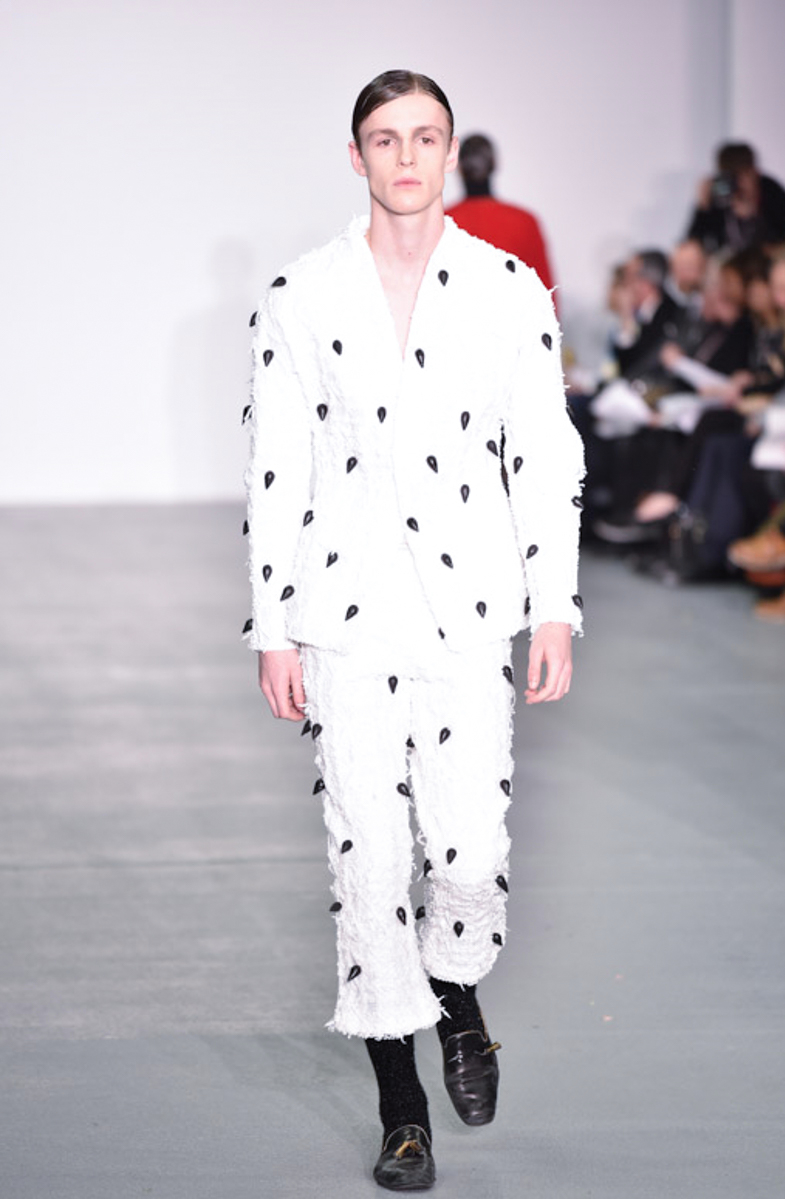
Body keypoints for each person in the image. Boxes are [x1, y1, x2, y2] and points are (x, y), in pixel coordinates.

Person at [243, 69, 584, 1191]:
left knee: (469, 854)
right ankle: (402, 1112)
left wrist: (553, 603)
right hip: (341, 610)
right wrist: (272, 626)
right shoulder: (302, 293)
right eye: (384, 139)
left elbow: (543, 450)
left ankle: (458, 998)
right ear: (356, 156)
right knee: (370, 858)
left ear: (449, 151)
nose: (405, 157)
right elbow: (276, 465)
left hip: (467, 608)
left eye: (424, 137)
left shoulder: (506, 288)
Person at [445, 132, 555, 292]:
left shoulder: (439, 223)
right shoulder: (524, 222)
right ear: (494, 165)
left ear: (459, 168)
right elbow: (546, 293)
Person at [687, 142, 785, 254]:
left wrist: (753, 217)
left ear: (754, 172)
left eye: (742, 176)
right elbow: (693, 241)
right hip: (726, 260)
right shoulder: (720, 193)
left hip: (765, 259)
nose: (737, 185)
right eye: (731, 177)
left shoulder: (773, 193)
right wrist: (702, 208)